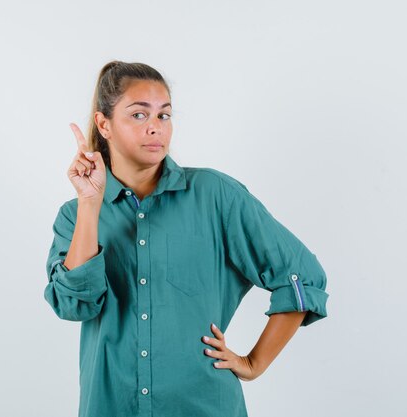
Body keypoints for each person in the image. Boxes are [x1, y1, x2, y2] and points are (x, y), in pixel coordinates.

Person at [43, 60, 329, 417]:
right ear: (105, 124)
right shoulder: (75, 214)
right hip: (111, 406)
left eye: (163, 116)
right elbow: (74, 305)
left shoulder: (215, 195)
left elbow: (301, 276)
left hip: (204, 405)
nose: (155, 128)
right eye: (138, 115)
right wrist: (90, 202)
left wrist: (254, 363)